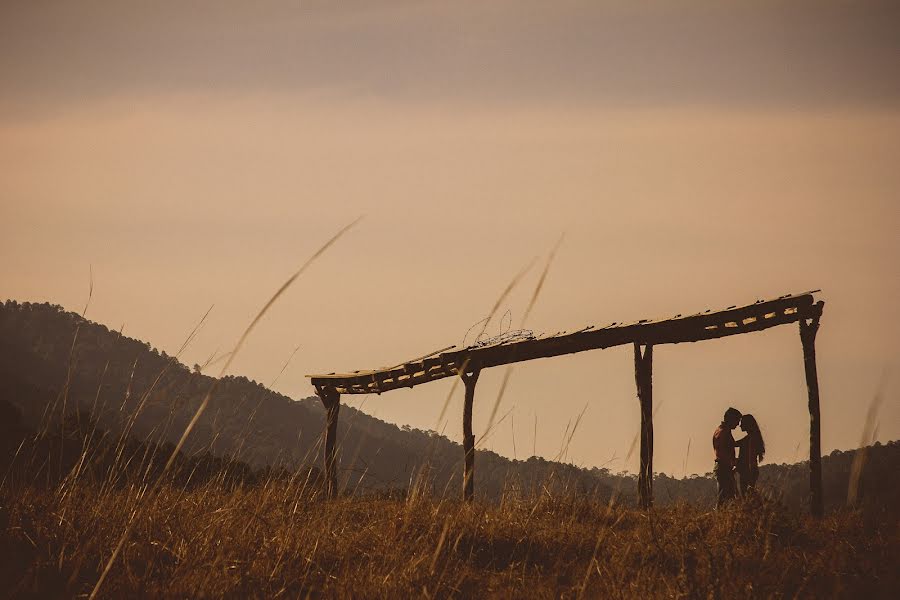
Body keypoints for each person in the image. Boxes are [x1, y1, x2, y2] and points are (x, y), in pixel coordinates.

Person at [713, 407, 742, 507]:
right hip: (724, 468)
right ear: (731, 419)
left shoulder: (720, 430)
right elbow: (724, 451)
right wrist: (734, 462)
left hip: (722, 467)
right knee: (726, 497)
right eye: (737, 421)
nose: (738, 424)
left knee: (726, 496)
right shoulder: (724, 432)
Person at [736, 413, 765, 495]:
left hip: (748, 471)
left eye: (742, 423)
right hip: (749, 470)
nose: (740, 425)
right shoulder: (751, 437)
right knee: (748, 495)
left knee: (746, 495)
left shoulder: (750, 439)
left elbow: (751, 458)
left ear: (747, 424)